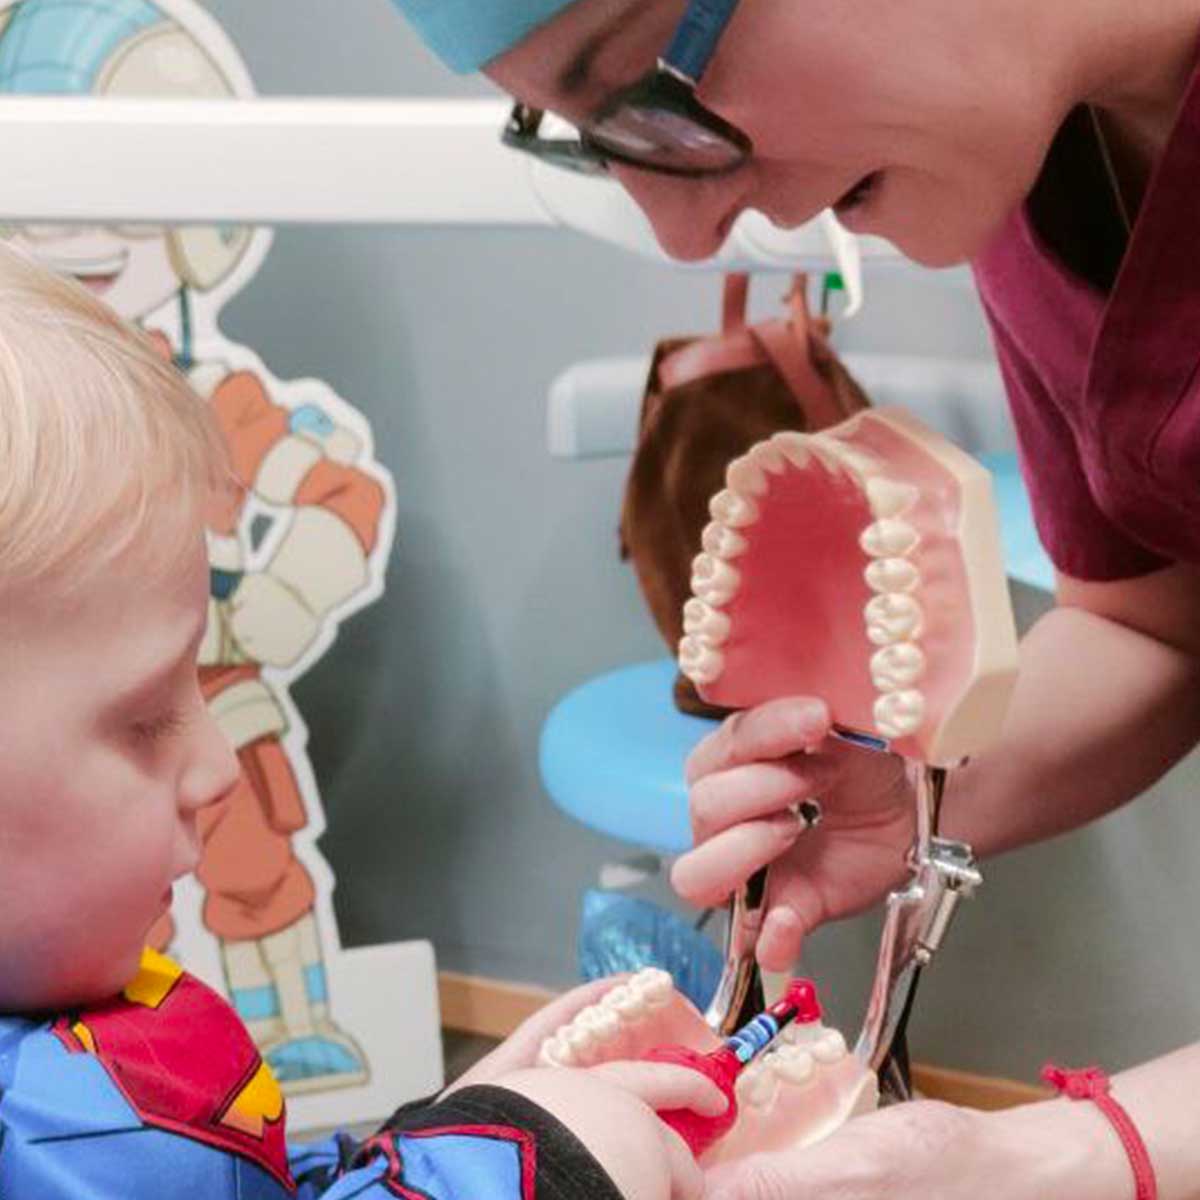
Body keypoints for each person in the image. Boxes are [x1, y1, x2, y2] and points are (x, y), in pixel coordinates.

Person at [390, 0, 1200, 1195]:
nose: (681, 227)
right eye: (581, 135)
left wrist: (1066, 1156)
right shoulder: (1029, 165)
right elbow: (1156, 624)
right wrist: (921, 789)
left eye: (645, 90)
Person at [0, 244, 727, 1199]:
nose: (217, 765)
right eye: (143, 719)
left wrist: (450, 1133)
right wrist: (536, 1170)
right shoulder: (59, 1144)